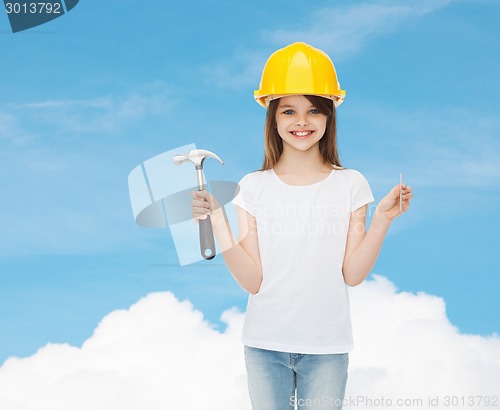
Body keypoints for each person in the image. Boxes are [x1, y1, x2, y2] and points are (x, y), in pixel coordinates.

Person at [191, 42, 413, 410]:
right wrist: (217, 218)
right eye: (289, 111)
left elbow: (352, 274)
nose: (302, 122)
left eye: (313, 110)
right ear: (273, 118)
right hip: (264, 345)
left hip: (327, 347)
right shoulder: (253, 186)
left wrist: (384, 219)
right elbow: (252, 281)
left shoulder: (351, 184)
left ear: (329, 116)